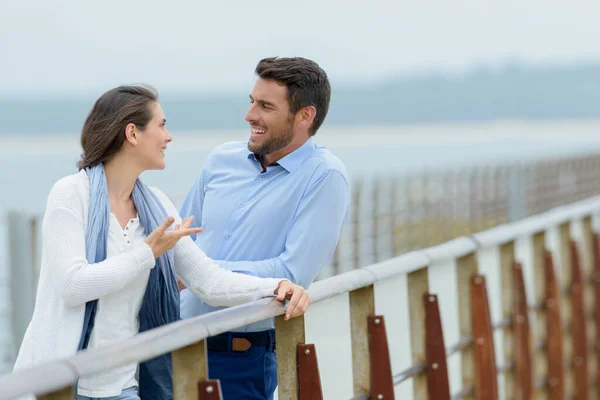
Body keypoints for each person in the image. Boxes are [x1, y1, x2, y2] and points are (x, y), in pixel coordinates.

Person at [12, 85, 311, 400]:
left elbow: (208, 281)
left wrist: (276, 286)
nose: (168, 137)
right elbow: (73, 286)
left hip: (124, 388)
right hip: (56, 386)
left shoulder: (157, 206)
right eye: (162, 125)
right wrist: (148, 253)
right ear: (133, 133)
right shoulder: (71, 194)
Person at [178, 56, 351, 399]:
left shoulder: (325, 177)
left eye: (265, 106)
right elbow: (180, 243)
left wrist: (199, 273)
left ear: (305, 116)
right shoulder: (219, 161)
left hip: (239, 360)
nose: (250, 115)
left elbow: (291, 272)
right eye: (252, 101)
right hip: (172, 344)